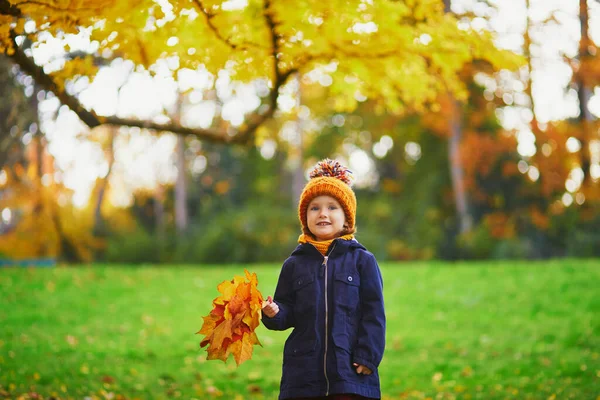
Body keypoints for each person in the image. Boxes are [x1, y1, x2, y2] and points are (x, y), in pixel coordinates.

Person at [262, 158, 386, 400]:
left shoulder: (363, 261)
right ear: (305, 217)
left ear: (347, 218)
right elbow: (287, 313)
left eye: (332, 207)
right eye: (315, 208)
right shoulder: (294, 264)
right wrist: (273, 312)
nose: (323, 214)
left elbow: (374, 315)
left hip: (350, 374)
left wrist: (368, 356)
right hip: (303, 377)